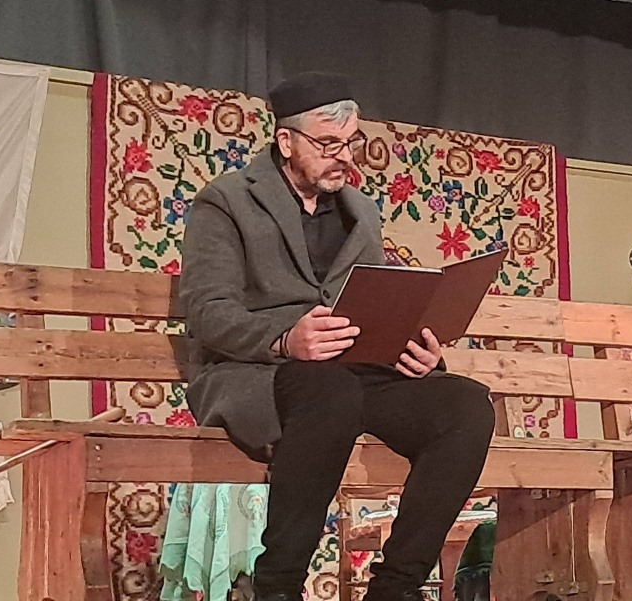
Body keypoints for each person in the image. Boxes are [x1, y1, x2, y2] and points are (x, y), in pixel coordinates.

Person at [179, 72, 496, 601]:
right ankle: (277, 586)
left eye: (350, 143)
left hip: (349, 372)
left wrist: (415, 346)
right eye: (328, 144)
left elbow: (374, 301)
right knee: (329, 391)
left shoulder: (360, 210)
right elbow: (207, 313)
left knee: (465, 406)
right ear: (286, 141)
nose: (344, 157)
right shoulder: (226, 202)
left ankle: (395, 587)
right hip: (260, 371)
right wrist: (286, 339)